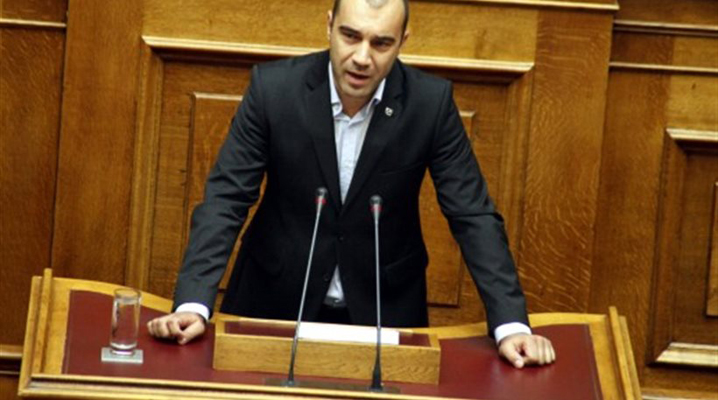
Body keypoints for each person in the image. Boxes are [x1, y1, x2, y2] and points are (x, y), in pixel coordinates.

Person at [148, 0, 555, 368]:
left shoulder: (430, 105)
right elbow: (227, 198)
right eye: (350, 36)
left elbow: (473, 215)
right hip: (273, 301)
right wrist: (193, 303)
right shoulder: (274, 91)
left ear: (402, 42)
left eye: (381, 43)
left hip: (383, 312)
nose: (362, 58)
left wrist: (511, 325)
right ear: (329, 26)